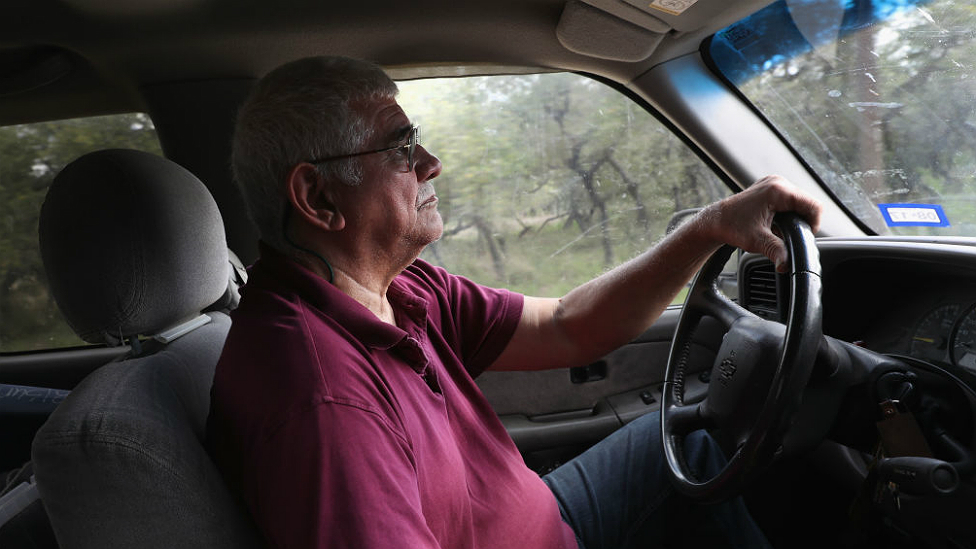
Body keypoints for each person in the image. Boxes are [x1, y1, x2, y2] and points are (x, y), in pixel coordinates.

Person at [206, 56, 822, 549]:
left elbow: (566, 326)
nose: (431, 164)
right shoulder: (322, 400)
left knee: (689, 447)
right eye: (399, 149)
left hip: (544, 516)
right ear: (318, 198)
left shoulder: (399, 290)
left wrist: (709, 227)